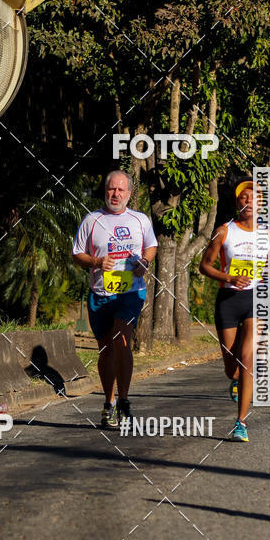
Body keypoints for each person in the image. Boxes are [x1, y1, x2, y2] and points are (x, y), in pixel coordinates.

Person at [72, 171, 157, 427]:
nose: (116, 194)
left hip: (130, 292)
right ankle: (108, 403)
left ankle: (124, 400)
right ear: (105, 191)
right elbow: (77, 254)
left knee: (122, 340)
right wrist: (97, 261)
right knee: (106, 350)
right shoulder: (92, 220)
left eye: (121, 190)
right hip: (100, 294)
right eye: (111, 189)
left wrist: (145, 261)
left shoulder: (140, 220)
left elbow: (151, 246)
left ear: (129, 194)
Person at [199, 180, 270, 443]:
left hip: (255, 299)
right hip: (228, 300)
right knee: (233, 368)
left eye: (253, 198)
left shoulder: (269, 236)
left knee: (247, 359)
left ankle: (241, 422)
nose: (248, 202)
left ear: (260, 204)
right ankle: (236, 379)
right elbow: (204, 266)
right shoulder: (223, 232)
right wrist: (227, 276)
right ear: (237, 203)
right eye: (243, 198)